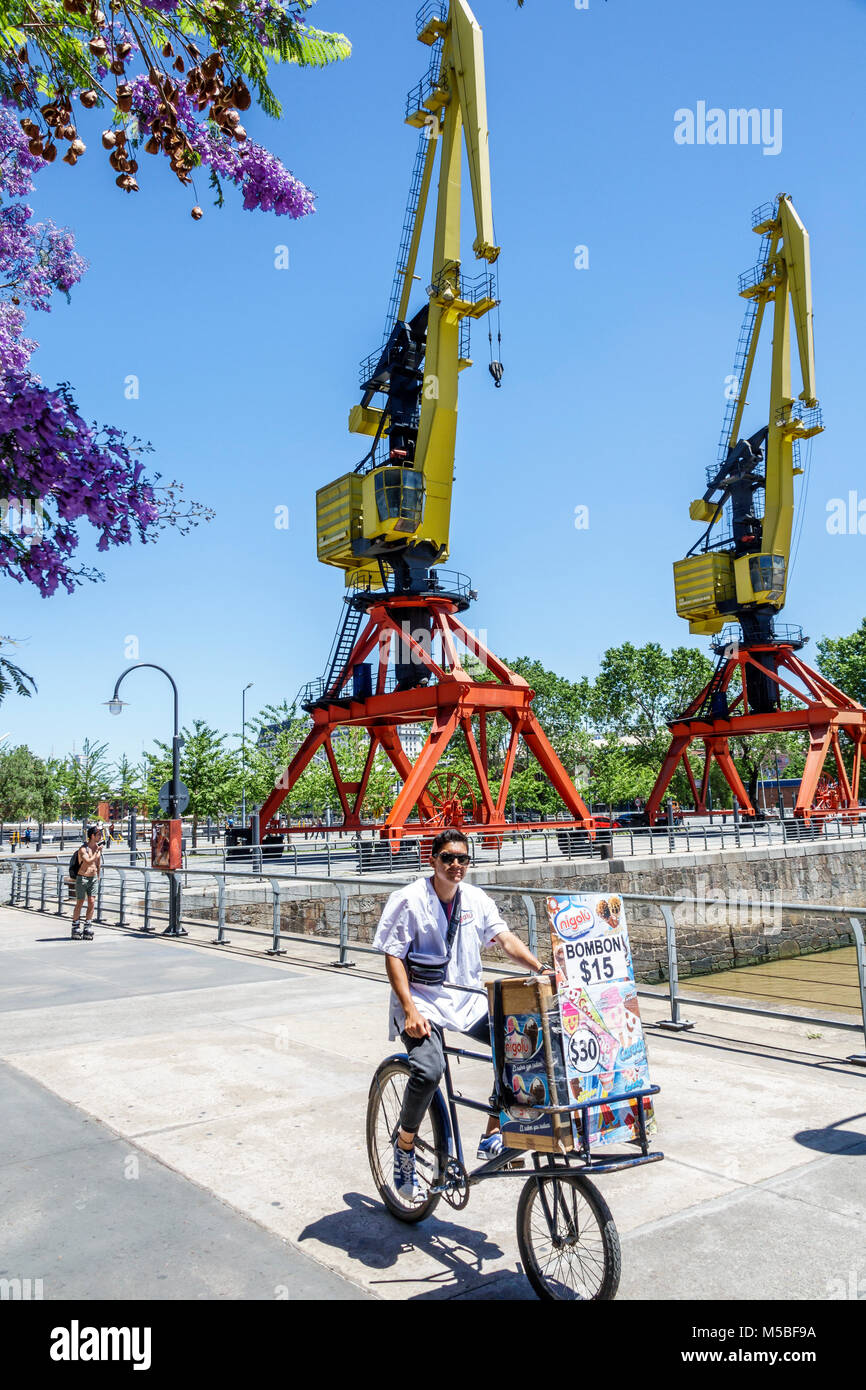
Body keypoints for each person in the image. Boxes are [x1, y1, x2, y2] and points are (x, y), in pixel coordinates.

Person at [373, 826, 544, 1200]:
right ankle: (405, 1145)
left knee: (522, 1045)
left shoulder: (476, 899)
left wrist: (540, 968)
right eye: (447, 857)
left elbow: (505, 939)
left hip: (466, 1000)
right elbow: (393, 956)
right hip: (422, 1001)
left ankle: (494, 1130)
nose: (455, 864)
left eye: (462, 858)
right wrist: (409, 1010)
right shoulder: (409, 900)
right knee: (429, 1069)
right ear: (432, 860)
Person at [70, 825, 103, 940]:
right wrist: (97, 852)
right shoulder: (83, 849)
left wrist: (98, 876)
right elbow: (88, 861)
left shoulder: (97, 848)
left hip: (93, 878)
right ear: (92, 836)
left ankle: (88, 925)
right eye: (98, 835)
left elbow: (98, 864)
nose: (100, 837)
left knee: (92, 902)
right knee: (80, 902)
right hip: (82, 878)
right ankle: (75, 926)